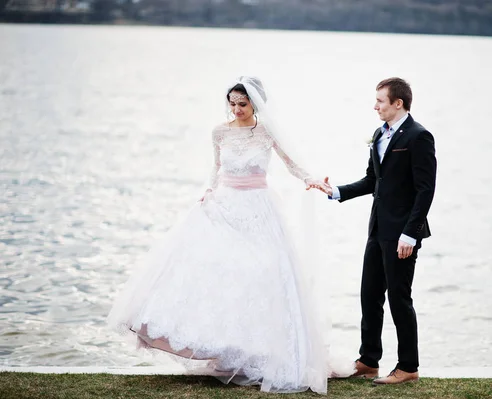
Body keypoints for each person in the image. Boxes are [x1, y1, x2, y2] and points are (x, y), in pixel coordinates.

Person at [107, 76, 331, 394]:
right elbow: (216, 167)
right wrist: (209, 190)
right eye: (232, 103)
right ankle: (221, 348)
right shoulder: (219, 131)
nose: (236, 109)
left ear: (255, 104)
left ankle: (258, 349)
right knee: (218, 275)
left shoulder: (267, 132)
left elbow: (291, 163)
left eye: (242, 104)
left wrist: (312, 180)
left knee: (262, 274)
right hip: (223, 205)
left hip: (258, 210)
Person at [310, 77, 436, 384]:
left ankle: (408, 367)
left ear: (398, 103)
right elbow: (372, 181)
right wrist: (335, 190)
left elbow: (425, 190)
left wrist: (411, 233)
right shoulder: (380, 133)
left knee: (399, 299)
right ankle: (369, 360)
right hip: (377, 229)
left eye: (380, 100)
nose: (375, 105)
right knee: (369, 295)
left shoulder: (419, 137)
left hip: (403, 234)